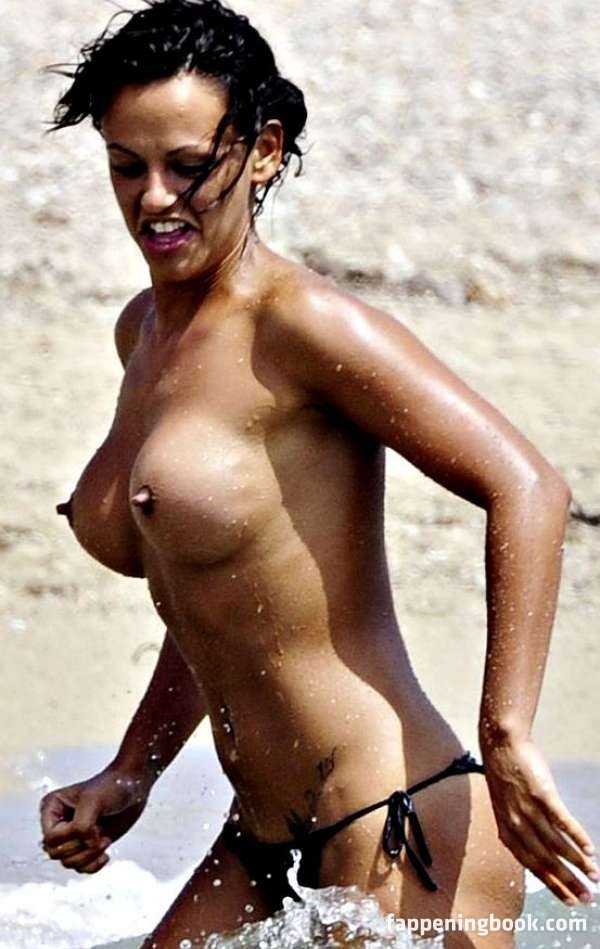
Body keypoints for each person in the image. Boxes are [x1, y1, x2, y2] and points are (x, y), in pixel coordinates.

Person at [39, 1, 598, 946]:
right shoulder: (143, 333)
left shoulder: (304, 325)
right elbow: (217, 588)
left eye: (189, 166)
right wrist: (133, 769)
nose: (154, 199)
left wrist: (506, 734)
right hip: (259, 838)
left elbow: (529, 484)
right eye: (126, 166)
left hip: (400, 826)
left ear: (262, 151)